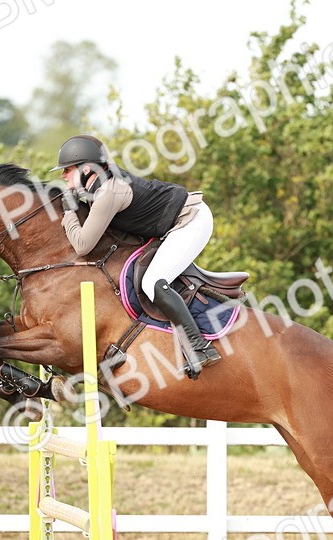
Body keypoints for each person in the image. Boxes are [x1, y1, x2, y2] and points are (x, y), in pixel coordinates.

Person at [52, 134, 221, 377]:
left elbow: (82, 246)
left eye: (67, 169)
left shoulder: (108, 192)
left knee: (153, 283)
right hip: (172, 224)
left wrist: (68, 213)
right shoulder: (98, 185)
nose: (63, 175)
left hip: (191, 220)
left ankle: (199, 346)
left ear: (87, 168)